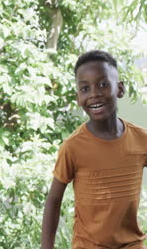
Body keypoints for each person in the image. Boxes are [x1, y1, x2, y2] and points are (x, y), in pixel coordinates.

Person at [41, 50, 147, 249]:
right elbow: (54, 201)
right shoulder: (73, 147)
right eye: (85, 88)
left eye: (103, 84)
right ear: (78, 98)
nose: (94, 93)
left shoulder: (141, 140)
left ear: (120, 89)